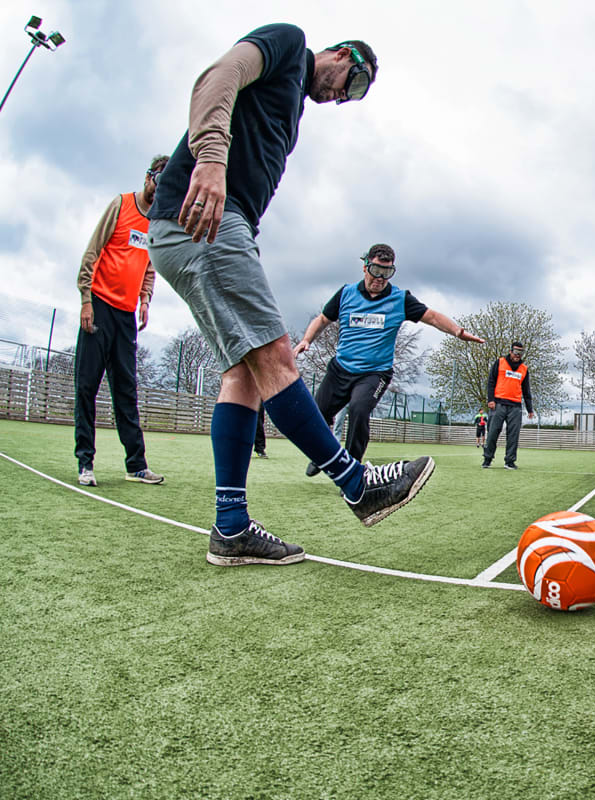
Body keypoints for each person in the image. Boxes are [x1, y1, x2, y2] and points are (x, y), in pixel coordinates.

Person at [148, 24, 435, 568]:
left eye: (352, 98)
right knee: (275, 356)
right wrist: (209, 160)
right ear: (340, 54)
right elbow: (219, 76)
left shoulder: (293, 108)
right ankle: (357, 484)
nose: (341, 98)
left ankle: (230, 528)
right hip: (206, 225)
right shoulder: (287, 44)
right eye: (352, 84)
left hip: (211, 230)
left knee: (245, 375)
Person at [295, 243, 485, 475]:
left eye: (387, 273)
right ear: (365, 267)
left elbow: (433, 317)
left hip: (374, 373)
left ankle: (350, 471)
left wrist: (457, 331)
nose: (380, 278)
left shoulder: (400, 299)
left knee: (358, 410)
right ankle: (324, 455)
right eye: (376, 271)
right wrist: (306, 340)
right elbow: (322, 319)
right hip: (340, 369)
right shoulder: (346, 294)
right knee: (318, 413)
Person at [74, 156, 169, 488]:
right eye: (159, 180)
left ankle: (136, 465)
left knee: (126, 390)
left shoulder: (156, 223)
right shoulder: (121, 204)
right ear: (148, 178)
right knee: (87, 385)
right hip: (98, 305)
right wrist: (86, 298)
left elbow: (151, 265)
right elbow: (93, 250)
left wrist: (145, 299)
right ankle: (85, 461)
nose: (160, 190)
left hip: (126, 316)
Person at [482, 342, 535, 469]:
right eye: (516, 352)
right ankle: (487, 459)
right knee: (493, 432)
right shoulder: (499, 363)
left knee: (513, 435)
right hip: (498, 404)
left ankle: (509, 461)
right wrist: (491, 399)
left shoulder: (524, 369)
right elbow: (491, 382)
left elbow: (526, 390)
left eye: (521, 353)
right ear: (510, 351)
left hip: (515, 406)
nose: (518, 355)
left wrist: (530, 409)